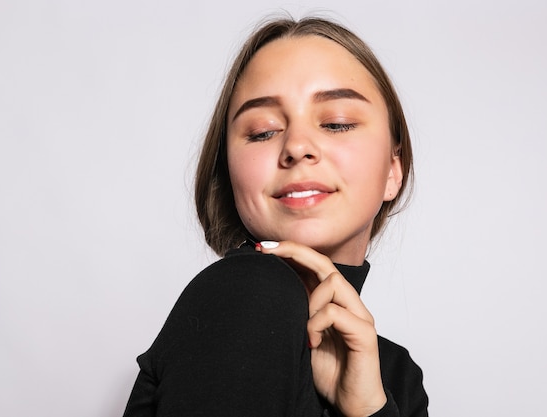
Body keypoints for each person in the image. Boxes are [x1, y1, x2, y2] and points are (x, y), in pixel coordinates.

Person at [123, 15, 428, 417]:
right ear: (229, 174)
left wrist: (371, 410)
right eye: (262, 131)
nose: (297, 146)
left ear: (393, 171)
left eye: (337, 123)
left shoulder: (395, 375)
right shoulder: (246, 292)